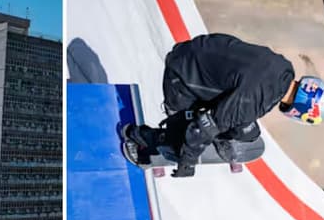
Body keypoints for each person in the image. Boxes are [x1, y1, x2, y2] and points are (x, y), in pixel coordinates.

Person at [122, 33, 301, 178]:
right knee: (183, 143)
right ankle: (142, 139)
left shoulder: (283, 67)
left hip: (195, 54)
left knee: (245, 128)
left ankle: (221, 130)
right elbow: (200, 129)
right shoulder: (255, 100)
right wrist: (187, 161)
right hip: (181, 80)